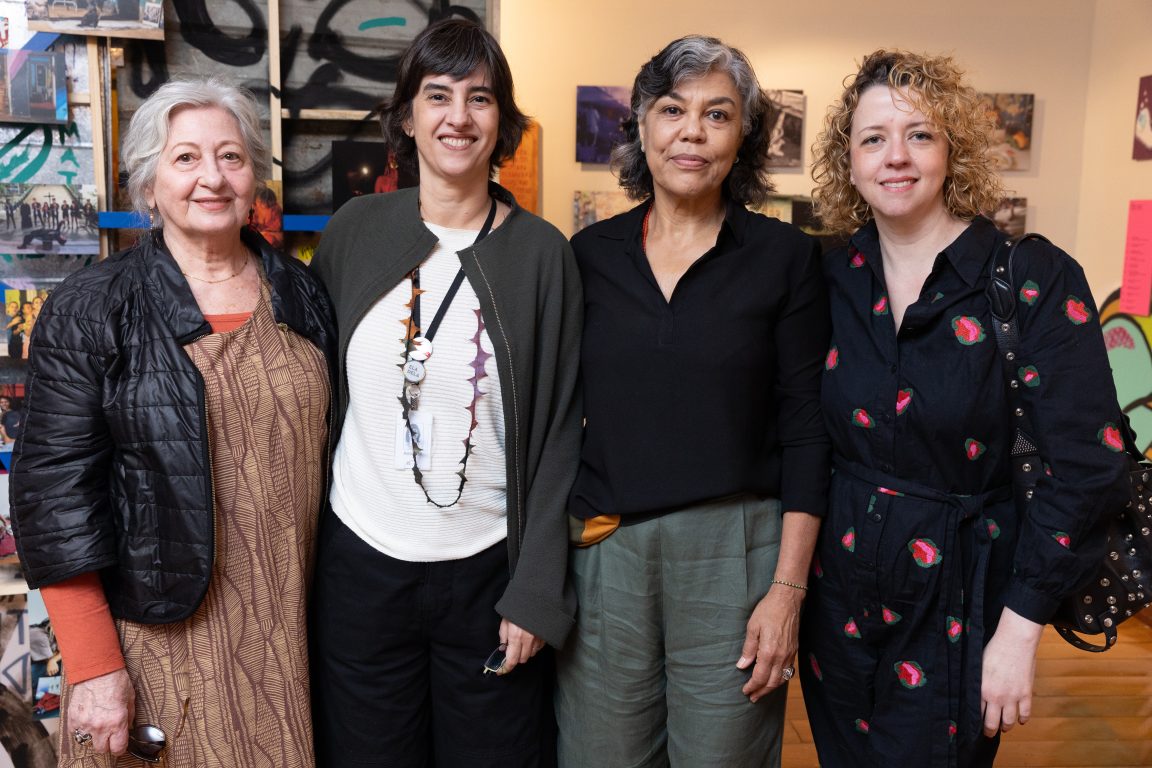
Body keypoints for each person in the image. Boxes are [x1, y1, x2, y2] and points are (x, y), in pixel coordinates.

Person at [800, 49, 1129, 767]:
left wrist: (1018, 632)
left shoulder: (1030, 276)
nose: (896, 156)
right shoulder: (831, 275)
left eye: (919, 134)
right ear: (848, 161)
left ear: (953, 150)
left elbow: (1091, 467)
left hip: (961, 600)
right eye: (873, 138)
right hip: (837, 605)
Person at [10, 77, 336, 767]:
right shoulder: (93, 307)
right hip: (154, 649)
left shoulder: (303, 293)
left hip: (289, 642)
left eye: (231, 157)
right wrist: (95, 667)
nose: (211, 178)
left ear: (253, 179)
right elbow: (54, 496)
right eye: (185, 158)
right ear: (149, 184)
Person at [309, 18, 581, 768]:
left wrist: (536, 590)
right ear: (406, 116)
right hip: (361, 566)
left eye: (479, 98)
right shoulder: (355, 231)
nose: (458, 116)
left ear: (502, 121)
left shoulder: (543, 255)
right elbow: (314, 393)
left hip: (488, 573)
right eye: (438, 95)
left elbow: (562, 431)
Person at [556, 35, 831, 768]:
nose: (692, 132)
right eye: (672, 110)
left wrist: (788, 591)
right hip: (607, 552)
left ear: (742, 137)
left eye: (717, 114)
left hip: (736, 555)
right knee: (601, 755)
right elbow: (553, 421)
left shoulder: (787, 258)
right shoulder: (587, 257)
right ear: (642, 126)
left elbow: (808, 430)